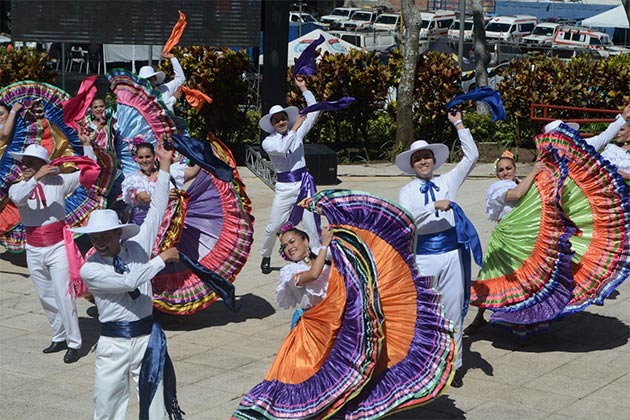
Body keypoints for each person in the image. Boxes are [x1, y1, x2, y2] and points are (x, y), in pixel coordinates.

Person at [70, 138, 183, 419]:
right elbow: (128, 282)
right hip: (113, 344)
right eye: (94, 238)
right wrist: (161, 259)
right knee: (107, 406)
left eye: (105, 236)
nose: (99, 242)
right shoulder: (91, 269)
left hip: (147, 340)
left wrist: (164, 165)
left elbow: (157, 210)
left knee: (155, 406)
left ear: (119, 233)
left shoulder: (137, 247)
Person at [396, 110, 479, 388]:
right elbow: (408, 222)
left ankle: (454, 365)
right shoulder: (407, 191)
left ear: (433, 159)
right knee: (426, 311)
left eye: (427, 157)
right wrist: (433, 206)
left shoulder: (447, 181)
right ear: (412, 164)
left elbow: (472, 157)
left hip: (452, 252)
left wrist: (459, 124)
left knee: (453, 309)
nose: (423, 161)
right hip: (424, 256)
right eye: (418, 158)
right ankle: (425, 363)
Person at [8, 140, 99, 364]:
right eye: (23, 162)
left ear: (42, 164)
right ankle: (59, 336)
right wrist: (35, 178)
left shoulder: (59, 181)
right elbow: (18, 198)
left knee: (63, 294)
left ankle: (74, 343)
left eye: (30, 162)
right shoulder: (17, 187)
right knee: (46, 295)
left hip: (57, 246)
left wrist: (87, 146)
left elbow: (89, 172)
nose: (24, 166)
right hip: (33, 248)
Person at [465, 151, 545, 334]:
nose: (505, 172)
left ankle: (524, 319)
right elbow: (515, 195)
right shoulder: (498, 187)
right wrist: (534, 171)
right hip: (505, 241)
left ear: (515, 169)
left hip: (523, 239)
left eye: (508, 168)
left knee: (524, 279)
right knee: (491, 277)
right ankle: (480, 317)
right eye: (501, 170)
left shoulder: (522, 183)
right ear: (496, 174)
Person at [259, 76, 321, 274]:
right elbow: (282, 149)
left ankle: (316, 258)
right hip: (285, 187)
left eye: (283, 118)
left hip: (304, 183)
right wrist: (294, 128)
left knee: (310, 223)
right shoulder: (269, 142)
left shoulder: (297, 132)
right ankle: (266, 254)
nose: (281, 122)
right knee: (273, 226)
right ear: (272, 123)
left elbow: (315, 110)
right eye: (277, 120)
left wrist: (303, 88)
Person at [121, 141, 200, 225]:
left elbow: (193, 172)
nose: (144, 160)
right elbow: (142, 198)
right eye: (140, 157)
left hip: (170, 224)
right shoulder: (133, 180)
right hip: (144, 225)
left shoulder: (170, 173)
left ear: (154, 156)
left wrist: (205, 154)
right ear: (136, 159)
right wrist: (164, 196)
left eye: (148, 157)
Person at [275, 224, 332, 325]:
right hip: (314, 324)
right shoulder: (290, 272)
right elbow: (314, 274)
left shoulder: (323, 254)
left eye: (292, 242)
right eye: (285, 246)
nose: (289, 247)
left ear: (305, 241)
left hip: (338, 314)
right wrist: (324, 245)